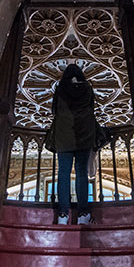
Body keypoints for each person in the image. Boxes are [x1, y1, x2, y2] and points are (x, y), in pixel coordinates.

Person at [49, 64, 97, 225]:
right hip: (84, 134)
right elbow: (92, 108)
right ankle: (83, 214)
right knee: (81, 173)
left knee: (63, 173)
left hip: (64, 136)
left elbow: (54, 110)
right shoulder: (87, 89)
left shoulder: (61, 89)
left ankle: (63, 214)